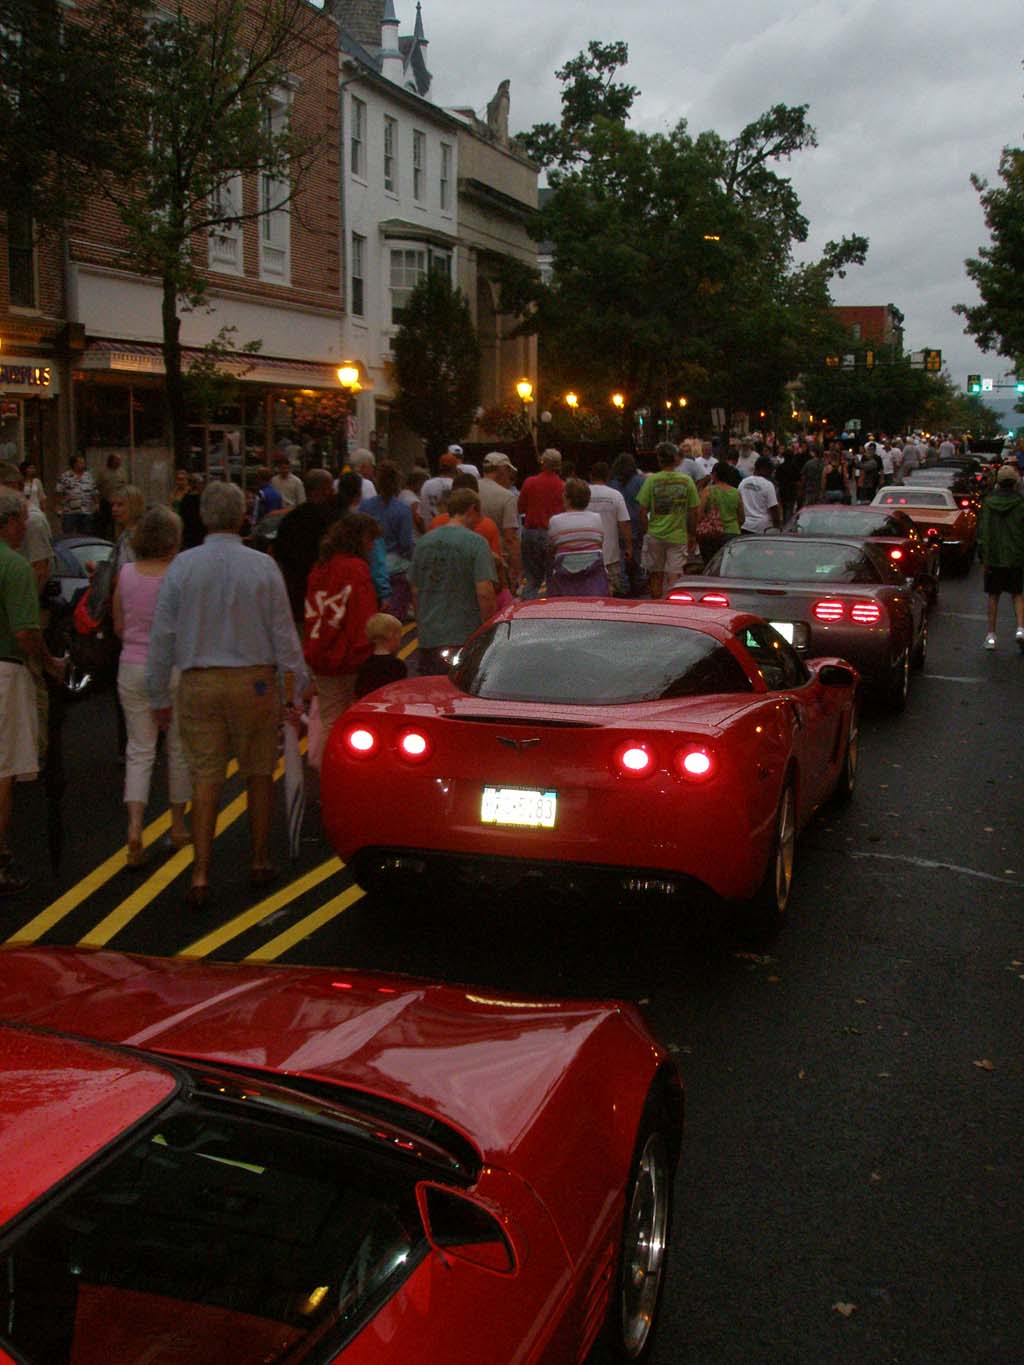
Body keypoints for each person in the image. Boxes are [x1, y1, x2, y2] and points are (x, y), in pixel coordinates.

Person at [146, 481, 308, 910]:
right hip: (253, 679)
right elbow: (282, 631)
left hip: (199, 679)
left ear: (201, 517)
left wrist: (158, 691)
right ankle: (258, 858)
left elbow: (162, 634)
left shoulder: (182, 566)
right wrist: (298, 685)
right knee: (258, 771)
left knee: (206, 776)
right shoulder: (262, 566)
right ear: (242, 518)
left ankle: (200, 871)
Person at [112, 507, 190, 867]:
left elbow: (118, 626)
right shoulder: (179, 576)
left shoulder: (125, 574)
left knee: (139, 750)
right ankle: (177, 825)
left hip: (131, 666)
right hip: (172, 668)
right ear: (172, 541)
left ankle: (134, 826)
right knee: (177, 749)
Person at [0, 490, 56, 896]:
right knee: (3, 769)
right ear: (10, 522)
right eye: (22, 519)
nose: (25, 526)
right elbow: (24, 631)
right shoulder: (14, 567)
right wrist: (49, 660)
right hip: (5, 671)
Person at [303, 512, 380, 756]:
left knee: (329, 721)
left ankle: (326, 778)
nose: (372, 545)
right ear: (359, 539)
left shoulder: (320, 567)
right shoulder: (356, 569)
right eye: (370, 540)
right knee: (356, 723)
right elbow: (364, 617)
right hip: (350, 657)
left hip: (321, 655)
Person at [409, 488, 496, 675]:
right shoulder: (477, 543)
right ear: (473, 509)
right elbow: (484, 591)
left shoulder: (424, 542)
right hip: (464, 636)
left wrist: (423, 624)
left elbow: (415, 590)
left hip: (430, 636)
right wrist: (489, 628)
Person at [274, 469, 341, 626]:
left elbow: (281, 556)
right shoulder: (335, 521)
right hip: (327, 594)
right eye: (331, 486)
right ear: (324, 490)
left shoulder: (289, 520)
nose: (333, 491)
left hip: (297, 593)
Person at [636, 441, 698, 598]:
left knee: (655, 574)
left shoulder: (651, 481)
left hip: (655, 534)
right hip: (677, 535)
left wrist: (646, 531)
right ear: (676, 459)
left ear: (659, 459)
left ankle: (657, 604)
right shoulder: (687, 481)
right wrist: (692, 534)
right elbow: (693, 512)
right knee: (675, 575)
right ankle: (673, 606)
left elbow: (642, 511)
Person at [978, 463, 1024, 651]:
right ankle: (1020, 629)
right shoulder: (1021, 504)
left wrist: (983, 558)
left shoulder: (988, 503)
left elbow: (983, 532)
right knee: (1018, 594)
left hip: (994, 556)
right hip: (1015, 555)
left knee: (993, 595)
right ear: (1015, 483)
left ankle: (991, 635)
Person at [360, 460, 414, 619]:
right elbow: (405, 543)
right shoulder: (402, 510)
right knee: (394, 618)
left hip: (369, 565)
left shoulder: (365, 507)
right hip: (395, 568)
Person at [547, 478, 609, 597]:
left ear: (567, 498)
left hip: (564, 578)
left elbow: (552, 549)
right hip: (594, 578)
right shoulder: (596, 519)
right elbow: (600, 543)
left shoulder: (555, 521)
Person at [517, 448, 565, 599]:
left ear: (543, 463)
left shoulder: (530, 482)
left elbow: (521, 508)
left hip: (530, 532)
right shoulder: (563, 486)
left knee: (531, 578)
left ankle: (527, 609)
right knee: (552, 576)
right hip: (551, 535)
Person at [587, 462, 632, 594]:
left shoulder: (583, 494)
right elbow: (624, 523)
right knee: (610, 589)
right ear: (608, 477)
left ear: (591, 476)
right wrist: (629, 546)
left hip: (589, 552)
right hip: (611, 554)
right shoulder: (615, 495)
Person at [479, 452, 521, 587]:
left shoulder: (470, 489)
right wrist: (517, 569)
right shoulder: (507, 496)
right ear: (502, 470)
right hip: (497, 561)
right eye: (508, 471)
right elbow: (510, 538)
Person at [609, 452, 649, 595]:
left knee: (620, 556)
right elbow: (646, 504)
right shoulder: (640, 481)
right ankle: (639, 584)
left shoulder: (613, 483)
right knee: (638, 555)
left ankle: (623, 586)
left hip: (618, 526)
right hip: (636, 525)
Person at [697, 460, 745, 561]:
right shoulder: (735, 492)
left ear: (714, 475)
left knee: (710, 564)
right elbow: (742, 517)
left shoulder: (708, 491)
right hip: (732, 533)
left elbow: (700, 514)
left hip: (712, 534)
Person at [354, 612, 408, 698]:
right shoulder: (397, 665)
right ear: (393, 636)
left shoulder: (365, 663)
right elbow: (400, 692)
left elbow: (359, 691)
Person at [56, 455, 98, 535]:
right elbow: (59, 492)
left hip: (86, 510)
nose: (83, 464)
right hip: (69, 511)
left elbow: (94, 491)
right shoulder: (65, 476)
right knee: (68, 534)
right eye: (80, 462)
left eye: (83, 463)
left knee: (86, 534)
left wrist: (96, 504)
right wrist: (58, 508)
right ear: (74, 464)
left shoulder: (88, 476)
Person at [739, 457, 781, 534]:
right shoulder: (768, 485)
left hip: (744, 526)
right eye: (770, 469)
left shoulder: (743, 482)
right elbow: (774, 508)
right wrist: (777, 527)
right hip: (761, 529)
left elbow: (738, 503)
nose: (772, 472)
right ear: (762, 468)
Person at [419, 450, 459, 522]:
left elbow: (421, 515)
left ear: (439, 467)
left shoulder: (427, 484)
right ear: (454, 467)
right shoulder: (457, 485)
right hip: (451, 529)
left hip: (430, 529)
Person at [95, 454, 127, 538]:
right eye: (117, 460)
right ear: (111, 461)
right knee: (104, 523)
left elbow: (125, 485)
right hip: (106, 501)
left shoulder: (122, 472)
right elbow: (97, 487)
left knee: (117, 523)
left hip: (118, 501)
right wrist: (97, 502)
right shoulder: (103, 472)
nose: (119, 462)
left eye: (119, 461)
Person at [399, 467, 429, 540]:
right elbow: (419, 522)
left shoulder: (401, 494)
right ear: (418, 483)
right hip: (415, 539)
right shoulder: (413, 501)